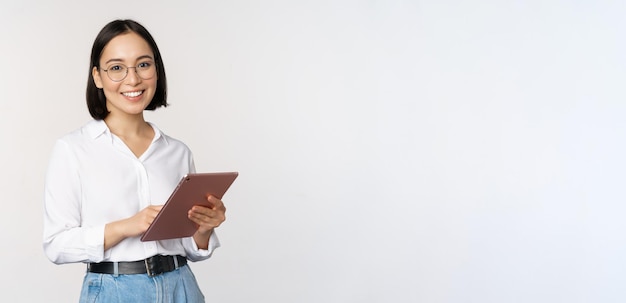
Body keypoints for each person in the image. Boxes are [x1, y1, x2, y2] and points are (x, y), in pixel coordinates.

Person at [43, 19, 226, 303]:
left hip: (182, 286)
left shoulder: (178, 152)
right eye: (117, 68)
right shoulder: (72, 149)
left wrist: (204, 228)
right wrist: (128, 226)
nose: (133, 80)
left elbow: (189, 248)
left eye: (143, 64)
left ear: (156, 69)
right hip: (114, 291)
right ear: (98, 77)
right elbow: (56, 246)